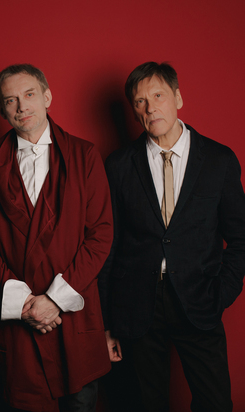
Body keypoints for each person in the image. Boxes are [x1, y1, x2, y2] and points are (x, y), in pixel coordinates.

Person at [99, 61, 245, 412]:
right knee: (144, 404)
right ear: (134, 111)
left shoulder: (219, 159)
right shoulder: (118, 165)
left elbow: (241, 237)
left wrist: (221, 293)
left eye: (158, 96)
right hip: (136, 307)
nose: (150, 108)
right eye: (140, 101)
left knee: (215, 403)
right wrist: (107, 323)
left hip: (200, 299)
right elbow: (109, 246)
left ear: (178, 98)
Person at [0, 64, 113, 412]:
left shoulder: (85, 155)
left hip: (73, 314)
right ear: (2, 110)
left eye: (29, 94)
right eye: (11, 100)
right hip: (21, 319)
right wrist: (26, 305)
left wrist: (54, 300)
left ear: (47, 96)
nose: (22, 106)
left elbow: (100, 235)